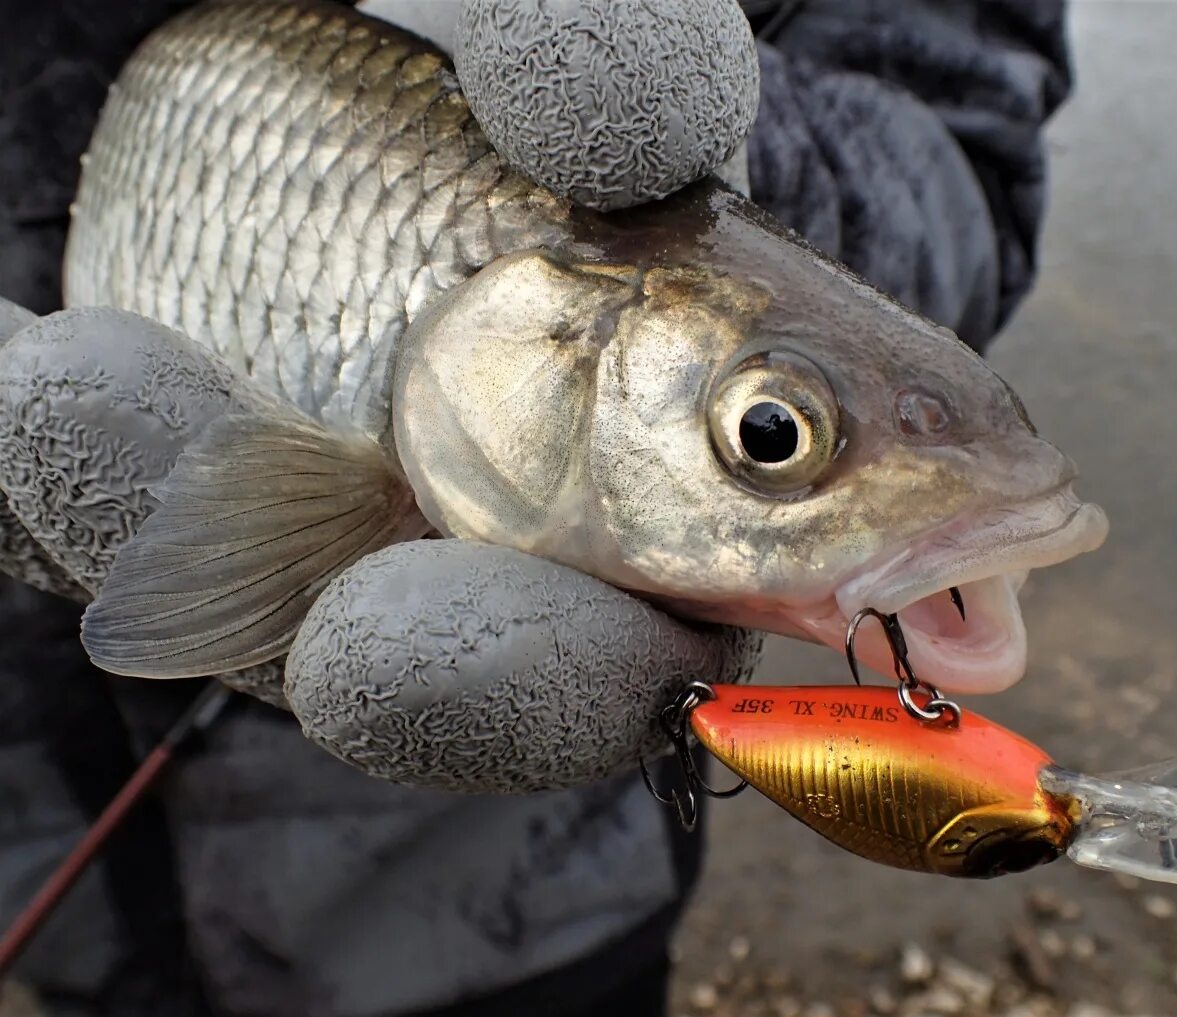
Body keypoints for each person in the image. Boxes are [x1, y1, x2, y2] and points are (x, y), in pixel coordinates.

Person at [0, 2, 1071, 1014]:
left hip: (518, 904)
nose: (769, 441)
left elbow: (959, 117)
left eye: (766, 436)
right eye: (769, 435)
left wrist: (767, 175)